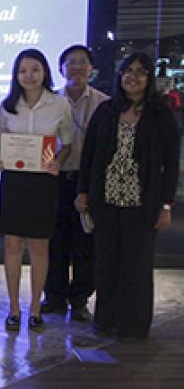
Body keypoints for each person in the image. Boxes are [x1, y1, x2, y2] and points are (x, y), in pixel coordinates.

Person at [76, 52, 180, 341]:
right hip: (106, 200)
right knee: (107, 262)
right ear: (120, 75)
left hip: (142, 203)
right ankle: (105, 320)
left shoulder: (161, 116)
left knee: (136, 265)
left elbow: (171, 163)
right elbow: (90, 156)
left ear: (149, 79)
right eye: (127, 71)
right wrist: (83, 191)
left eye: (140, 72)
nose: (132, 76)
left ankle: (132, 326)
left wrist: (166, 204)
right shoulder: (106, 111)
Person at [0, 48, 74, 332]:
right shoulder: (6, 106)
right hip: (14, 182)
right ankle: (14, 308)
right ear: (16, 75)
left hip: (44, 182)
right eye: (23, 70)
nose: (29, 75)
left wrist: (58, 162)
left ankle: (36, 308)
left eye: (35, 69)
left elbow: (67, 143)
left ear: (45, 72)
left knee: (40, 246)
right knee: (12, 245)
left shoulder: (59, 105)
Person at [41, 45, 109, 321]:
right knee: (54, 241)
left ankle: (80, 299)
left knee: (85, 243)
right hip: (56, 179)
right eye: (71, 63)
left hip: (88, 181)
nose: (77, 68)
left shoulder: (104, 104)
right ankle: (54, 297)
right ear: (61, 69)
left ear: (91, 69)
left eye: (83, 62)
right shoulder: (50, 101)